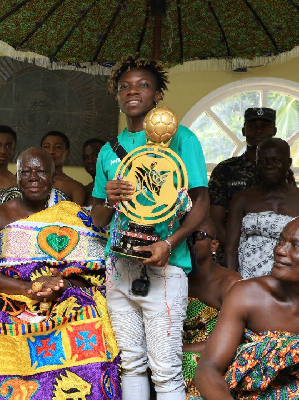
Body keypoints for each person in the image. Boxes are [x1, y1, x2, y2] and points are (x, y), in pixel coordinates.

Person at [0, 148, 121, 398]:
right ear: (17, 177)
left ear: (52, 178)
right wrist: (27, 288)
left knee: (90, 315)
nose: (33, 177)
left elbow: (92, 269)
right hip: (7, 296)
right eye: (25, 172)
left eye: (40, 172)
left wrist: (64, 284)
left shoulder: (72, 215)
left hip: (60, 298)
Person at [91, 56, 209, 400]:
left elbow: (202, 200)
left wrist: (171, 243)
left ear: (158, 94)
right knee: (130, 363)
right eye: (125, 85)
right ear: (116, 94)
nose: (133, 91)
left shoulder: (181, 138)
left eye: (143, 84)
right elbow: (98, 216)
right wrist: (109, 200)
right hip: (119, 267)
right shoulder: (107, 152)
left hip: (165, 265)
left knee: (166, 368)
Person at [196, 214, 299, 399]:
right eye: (281, 240)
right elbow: (209, 368)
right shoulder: (248, 295)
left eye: (296, 245)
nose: (280, 250)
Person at [225, 138, 299, 278]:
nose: (269, 165)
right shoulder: (242, 199)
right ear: (256, 164)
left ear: (288, 163)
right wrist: (232, 283)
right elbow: (230, 248)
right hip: (249, 282)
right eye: (263, 161)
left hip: (293, 284)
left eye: (276, 161)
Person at [182, 219, 240, 399]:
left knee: (191, 363)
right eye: (185, 236)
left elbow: (239, 338)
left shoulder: (230, 283)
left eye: (197, 236)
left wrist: (181, 349)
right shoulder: (173, 279)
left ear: (214, 244)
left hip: (216, 351)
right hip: (178, 346)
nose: (190, 242)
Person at [208, 107, 278, 251]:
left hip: (273, 256)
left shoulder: (281, 171)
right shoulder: (226, 169)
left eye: (265, 126)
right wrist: (235, 252)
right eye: (253, 126)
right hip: (231, 253)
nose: (259, 131)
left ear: (274, 131)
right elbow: (215, 219)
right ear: (244, 131)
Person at [41, 130, 86, 205]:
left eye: (58, 147)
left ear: (67, 153)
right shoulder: (30, 180)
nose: (51, 151)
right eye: (46, 147)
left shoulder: (75, 187)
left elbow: (77, 215)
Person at [82, 138, 106, 207]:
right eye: (85, 157)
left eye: (96, 155)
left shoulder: (114, 188)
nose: (89, 161)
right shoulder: (84, 191)